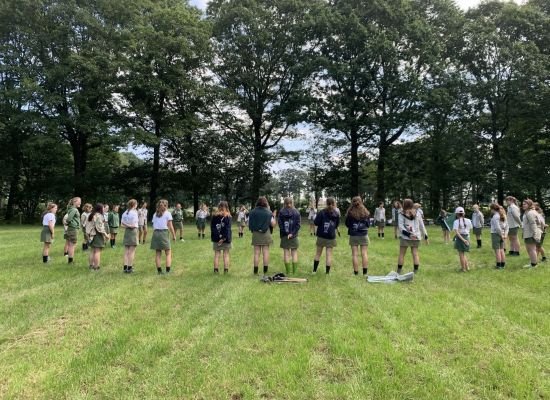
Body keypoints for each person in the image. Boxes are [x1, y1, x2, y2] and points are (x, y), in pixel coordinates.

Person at [397, 199, 428, 274]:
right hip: (416, 236)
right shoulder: (418, 213)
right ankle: (416, 271)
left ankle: (399, 271)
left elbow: (400, 227)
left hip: (405, 237)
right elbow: (422, 226)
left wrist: (409, 235)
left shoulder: (401, 214)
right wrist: (425, 236)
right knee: (415, 253)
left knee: (402, 254)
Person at [248, 196, 276, 275]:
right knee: (266, 252)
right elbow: (273, 224)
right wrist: (274, 215)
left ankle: (255, 271)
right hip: (266, 233)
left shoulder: (252, 212)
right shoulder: (268, 212)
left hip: (256, 233)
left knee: (256, 253)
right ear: (266, 203)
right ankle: (265, 271)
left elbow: (249, 224)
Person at [313, 197, 340, 274]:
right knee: (329, 255)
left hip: (321, 236)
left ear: (326, 203)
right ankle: (327, 273)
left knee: (318, 253)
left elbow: (316, 223)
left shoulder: (321, 212)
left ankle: (314, 271)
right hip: (331, 236)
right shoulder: (336, 213)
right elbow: (336, 225)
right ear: (334, 203)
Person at [345, 196, 370, 276]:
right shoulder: (365, 212)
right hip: (363, 234)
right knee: (364, 253)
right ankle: (365, 273)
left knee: (354, 254)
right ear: (361, 202)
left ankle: (356, 273)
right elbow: (368, 224)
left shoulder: (350, 212)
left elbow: (347, 224)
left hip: (353, 235)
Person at [151, 199, 177, 275]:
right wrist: (174, 235)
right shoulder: (168, 213)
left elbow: (153, 224)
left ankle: (159, 271)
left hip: (156, 233)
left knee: (158, 253)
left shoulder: (155, 214)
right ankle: (168, 271)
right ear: (166, 205)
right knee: (168, 253)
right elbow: (170, 226)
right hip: (164, 233)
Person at [278, 197, 301, 275]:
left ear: (284, 203)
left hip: (284, 235)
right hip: (294, 236)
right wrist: (292, 233)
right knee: (294, 252)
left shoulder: (281, 212)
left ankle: (288, 272)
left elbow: (280, 225)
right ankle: (294, 272)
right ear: (292, 203)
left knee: (286, 252)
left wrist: (287, 233)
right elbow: (298, 225)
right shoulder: (297, 212)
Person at [86, 203, 110, 271]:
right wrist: (106, 235)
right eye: (102, 208)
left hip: (91, 235)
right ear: (100, 209)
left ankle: (91, 265)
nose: (103, 209)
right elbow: (99, 228)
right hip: (97, 235)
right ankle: (96, 267)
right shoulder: (99, 216)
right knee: (97, 251)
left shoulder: (91, 215)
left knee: (92, 250)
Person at [211, 201, 232, 273]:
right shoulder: (228, 217)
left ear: (218, 207)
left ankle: (216, 270)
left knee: (217, 254)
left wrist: (219, 237)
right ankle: (226, 270)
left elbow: (213, 228)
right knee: (226, 254)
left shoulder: (214, 216)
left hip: (216, 238)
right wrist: (223, 238)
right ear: (227, 207)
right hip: (226, 239)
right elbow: (227, 229)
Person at [521, 199, 542, 269]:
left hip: (531, 233)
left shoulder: (530, 213)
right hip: (527, 233)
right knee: (528, 249)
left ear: (529, 205)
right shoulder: (528, 212)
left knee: (532, 249)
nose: (523, 205)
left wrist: (535, 234)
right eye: (523, 204)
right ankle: (532, 263)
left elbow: (533, 224)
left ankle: (534, 265)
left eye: (525, 204)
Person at [121, 199, 139, 273]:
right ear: (134, 205)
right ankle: (129, 267)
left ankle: (125, 267)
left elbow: (122, 224)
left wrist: (126, 225)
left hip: (126, 231)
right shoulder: (134, 213)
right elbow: (133, 225)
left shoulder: (125, 212)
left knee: (126, 251)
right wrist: (128, 225)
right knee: (131, 251)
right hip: (132, 231)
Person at [453, 207, 473, 272]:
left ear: (457, 214)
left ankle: (463, 268)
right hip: (467, 236)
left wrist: (463, 240)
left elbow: (457, 232)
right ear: (464, 213)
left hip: (460, 238)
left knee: (461, 254)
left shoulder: (456, 221)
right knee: (463, 254)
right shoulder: (468, 220)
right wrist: (466, 239)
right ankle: (467, 267)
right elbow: (469, 229)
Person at [490, 203, 509, 269]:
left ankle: (498, 265)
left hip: (496, 234)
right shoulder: (503, 215)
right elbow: (507, 226)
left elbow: (497, 228)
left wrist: (501, 235)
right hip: (502, 234)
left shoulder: (495, 216)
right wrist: (504, 235)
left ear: (493, 209)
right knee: (502, 250)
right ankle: (503, 263)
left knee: (497, 250)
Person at [65, 197, 81, 264]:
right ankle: (70, 261)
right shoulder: (74, 209)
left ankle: (70, 260)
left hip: (72, 228)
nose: (80, 203)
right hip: (73, 229)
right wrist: (69, 223)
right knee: (72, 245)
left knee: (70, 244)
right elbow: (69, 219)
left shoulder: (72, 209)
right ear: (75, 202)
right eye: (79, 201)